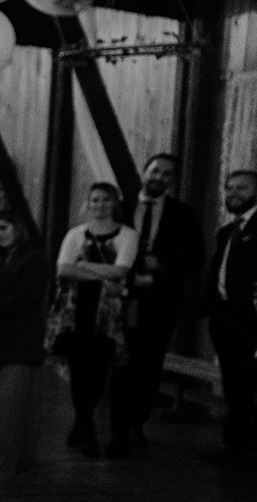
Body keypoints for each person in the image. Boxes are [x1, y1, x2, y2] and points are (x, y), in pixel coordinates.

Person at [118, 154, 203, 451]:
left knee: (150, 363)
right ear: (144, 171)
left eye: (167, 174)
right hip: (120, 296)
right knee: (119, 360)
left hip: (160, 300)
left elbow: (197, 257)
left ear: (173, 181)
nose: (159, 177)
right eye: (154, 171)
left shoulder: (183, 214)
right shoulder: (121, 207)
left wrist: (164, 264)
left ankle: (137, 422)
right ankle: (111, 423)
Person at [47, 182, 137, 459]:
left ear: (115, 203)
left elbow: (121, 270)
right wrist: (102, 273)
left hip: (106, 314)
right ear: (88, 203)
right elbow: (63, 270)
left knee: (98, 371)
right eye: (94, 200)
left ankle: (80, 422)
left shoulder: (128, 235)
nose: (99, 205)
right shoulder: (75, 234)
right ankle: (87, 429)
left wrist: (84, 266)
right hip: (75, 310)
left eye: (105, 199)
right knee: (79, 370)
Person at [0, 210, 51, 484]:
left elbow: (23, 298)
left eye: (3, 228)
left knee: (11, 406)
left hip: (20, 340)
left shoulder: (35, 259)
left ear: (18, 227)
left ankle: (6, 463)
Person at [201, 169, 257, 465]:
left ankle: (239, 445)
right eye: (230, 187)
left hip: (251, 319)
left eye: (242, 188)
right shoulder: (226, 231)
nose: (234, 193)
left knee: (246, 383)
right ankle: (237, 443)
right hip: (224, 317)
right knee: (235, 383)